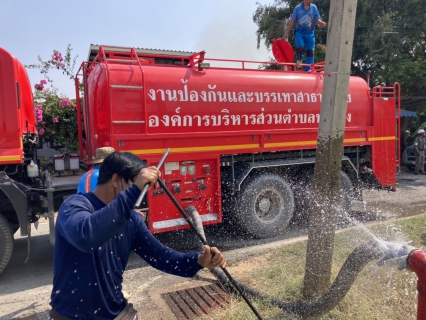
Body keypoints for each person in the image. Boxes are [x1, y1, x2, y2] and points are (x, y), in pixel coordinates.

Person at [50, 152, 226, 319]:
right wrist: (134, 190)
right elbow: (86, 236)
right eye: (134, 185)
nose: (138, 196)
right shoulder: (74, 206)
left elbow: (161, 256)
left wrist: (198, 261)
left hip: (115, 314)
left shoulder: (131, 219)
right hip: (71, 317)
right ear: (116, 180)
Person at [282, 0, 326, 72]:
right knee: (300, 46)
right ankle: (299, 59)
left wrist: (321, 23)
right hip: (299, 32)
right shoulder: (297, 8)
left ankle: (308, 68)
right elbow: (292, 21)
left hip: (310, 33)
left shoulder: (314, 8)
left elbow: (316, 19)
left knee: (310, 50)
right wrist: (286, 33)